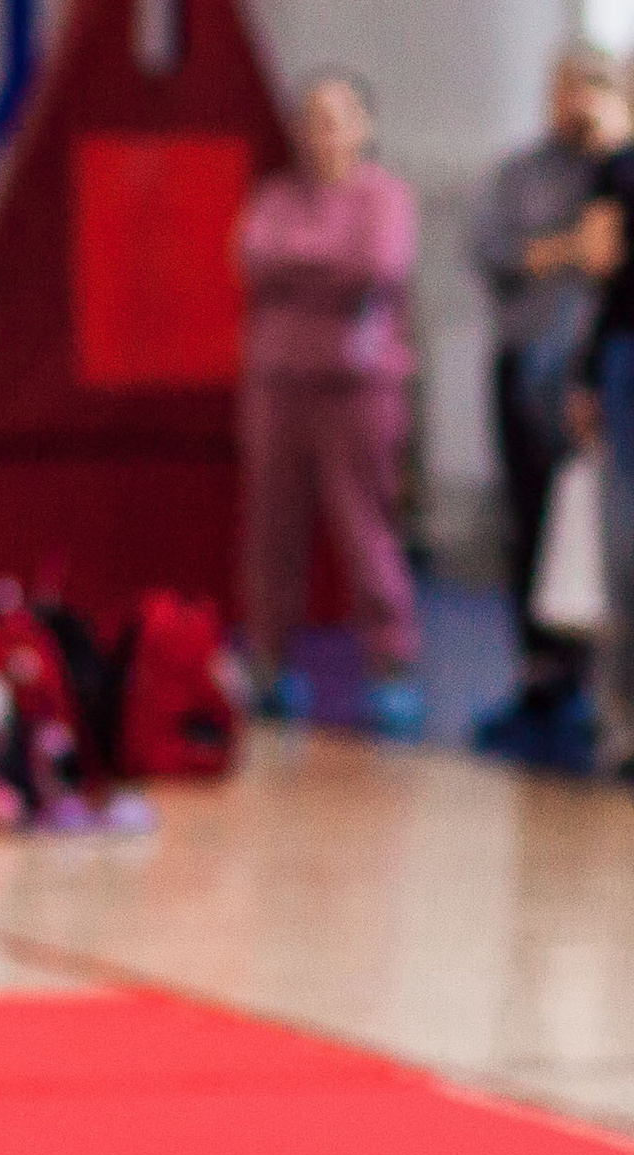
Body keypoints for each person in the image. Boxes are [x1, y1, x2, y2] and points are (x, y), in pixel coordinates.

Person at [235, 70, 423, 737]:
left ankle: (392, 666)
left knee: (365, 527)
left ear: (364, 127)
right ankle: (268, 662)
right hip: (280, 386)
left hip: (358, 389)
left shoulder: (387, 199)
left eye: (337, 117)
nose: (323, 132)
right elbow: (256, 258)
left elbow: (374, 267)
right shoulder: (277, 197)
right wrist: (320, 266)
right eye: (311, 117)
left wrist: (301, 268)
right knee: (273, 528)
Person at [472, 46, 626, 726]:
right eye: (566, 87)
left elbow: (604, 262)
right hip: (528, 363)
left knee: (605, 530)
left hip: (596, 374)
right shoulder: (520, 176)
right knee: (530, 517)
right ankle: (542, 667)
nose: (577, 102)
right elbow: (500, 253)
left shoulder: (617, 172)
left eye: (591, 88)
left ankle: (603, 678)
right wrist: (570, 247)